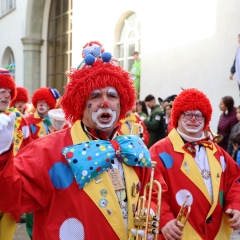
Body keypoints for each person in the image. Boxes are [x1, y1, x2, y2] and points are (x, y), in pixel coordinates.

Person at [0, 43, 166, 240]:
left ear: (122, 102)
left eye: (112, 95)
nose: (105, 102)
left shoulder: (133, 148)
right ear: (80, 102)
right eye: (95, 95)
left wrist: (151, 211)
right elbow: (9, 198)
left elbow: (153, 191)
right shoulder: (46, 152)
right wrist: (2, 154)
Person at [150, 88, 240, 240]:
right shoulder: (158, 152)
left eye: (199, 115)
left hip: (217, 234)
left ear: (206, 119)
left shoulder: (217, 152)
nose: (193, 119)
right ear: (177, 116)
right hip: (180, 234)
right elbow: (150, 190)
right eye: (187, 114)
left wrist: (236, 205)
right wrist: (163, 219)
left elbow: (234, 181)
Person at [0, 68, 32, 240]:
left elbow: (29, 149)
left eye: (8, 91)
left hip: (11, 183)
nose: (6, 95)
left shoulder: (19, 120)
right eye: (1, 91)